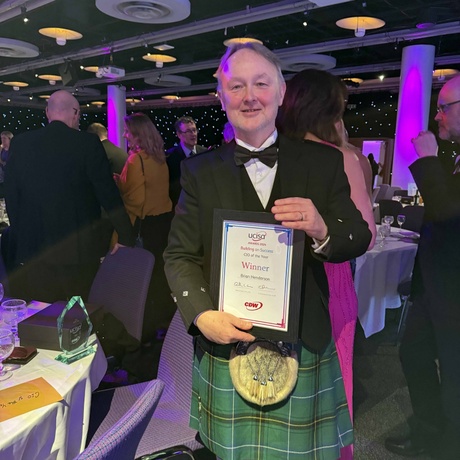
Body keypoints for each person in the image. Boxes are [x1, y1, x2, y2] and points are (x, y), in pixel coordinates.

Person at [164, 43, 371, 459]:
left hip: (303, 342)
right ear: (221, 98)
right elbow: (179, 256)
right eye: (236, 86)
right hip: (226, 343)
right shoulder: (198, 171)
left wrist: (322, 228)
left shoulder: (323, 162)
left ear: (280, 93)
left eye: (261, 83)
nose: (249, 96)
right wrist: (203, 316)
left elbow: (359, 236)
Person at [277, 68, 376, 458]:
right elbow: (365, 233)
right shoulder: (343, 158)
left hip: (278, 278)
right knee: (330, 377)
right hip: (327, 280)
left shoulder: (275, 152)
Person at [385, 75, 460, 460]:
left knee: (454, 376)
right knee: (413, 353)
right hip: (434, 287)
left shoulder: (443, 155)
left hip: (454, 295)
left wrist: (429, 159)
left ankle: (447, 444)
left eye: (444, 107)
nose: (437, 115)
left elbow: (449, 216)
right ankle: (430, 431)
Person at [4, 90, 134, 303]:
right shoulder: (88, 144)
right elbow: (108, 194)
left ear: (47, 113)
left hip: (32, 251)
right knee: (76, 317)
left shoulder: (21, 143)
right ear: (75, 113)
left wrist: (21, 234)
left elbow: (11, 195)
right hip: (77, 251)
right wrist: (126, 235)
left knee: (38, 317)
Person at [116, 113, 175, 342]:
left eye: (127, 131)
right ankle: (165, 322)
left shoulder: (135, 160)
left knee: (144, 279)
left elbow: (136, 199)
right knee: (161, 274)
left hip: (145, 224)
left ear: (137, 134)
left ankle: (145, 329)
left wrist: (119, 186)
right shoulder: (160, 157)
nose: (124, 134)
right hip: (164, 222)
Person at [166, 116, 207, 208]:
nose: (193, 134)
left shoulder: (205, 153)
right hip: (180, 207)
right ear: (179, 134)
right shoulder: (170, 157)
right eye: (188, 131)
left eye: (194, 130)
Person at [0, 130, 13, 198]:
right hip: (2, 177)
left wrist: (2, 162)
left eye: (4, 138)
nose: (2, 140)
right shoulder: (1, 150)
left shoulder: (13, 150)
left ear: (9, 139)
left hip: (11, 176)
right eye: (1, 138)